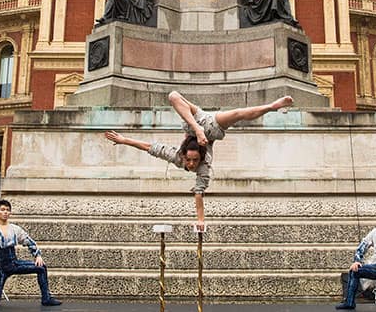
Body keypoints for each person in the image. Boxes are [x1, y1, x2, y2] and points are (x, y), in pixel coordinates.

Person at [105, 91, 293, 229]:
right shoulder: (203, 167)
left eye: (193, 161)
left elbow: (149, 147)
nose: (192, 164)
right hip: (211, 127)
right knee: (237, 114)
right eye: (191, 161)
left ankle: (272, 106)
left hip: (195, 123)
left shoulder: (177, 157)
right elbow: (199, 193)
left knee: (173, 96)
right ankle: (270, 107)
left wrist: (125, 140)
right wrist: (201, 220)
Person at [0, 199, 62, 307]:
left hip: (13, 263)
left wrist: (37, 255)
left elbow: (29, 241)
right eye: (2, 210)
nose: (5, 212)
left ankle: (46, 298)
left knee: (41, 267)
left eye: (8, 210)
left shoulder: (15, 229)